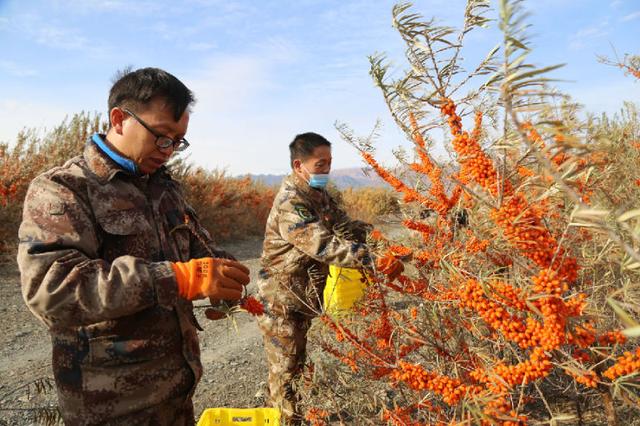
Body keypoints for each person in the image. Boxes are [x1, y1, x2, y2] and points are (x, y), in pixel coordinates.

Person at [17, 67, 250, 425]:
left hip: (175, 393)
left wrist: (225, 277)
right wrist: (177, 279)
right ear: (119, 119)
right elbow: (53, 290)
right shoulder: (65, 189)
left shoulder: (164, 188)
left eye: (178, 141)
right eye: (161, 136)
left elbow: (199, 252)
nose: (169, 150)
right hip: (110, 404)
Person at [256, 132, 404, 424]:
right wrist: (374, 260)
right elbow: (323, 245)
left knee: (296, 365)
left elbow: (346, 227)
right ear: (299, 165)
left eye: (329, 164)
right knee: (285, 372)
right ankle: (286, 420)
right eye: (320, 164)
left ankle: (292, 416)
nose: (326, 170)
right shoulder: (291, 202)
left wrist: (381, 242)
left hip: (304, 296)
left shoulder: (318, 196)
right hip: (281, 298)